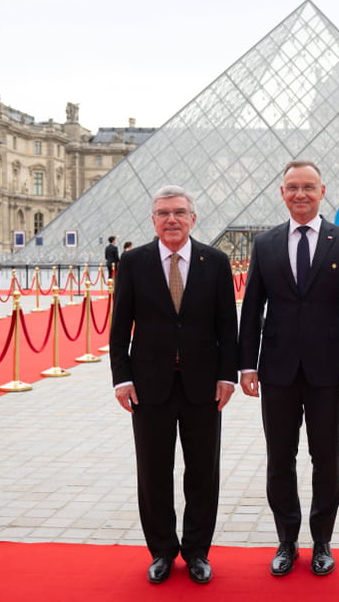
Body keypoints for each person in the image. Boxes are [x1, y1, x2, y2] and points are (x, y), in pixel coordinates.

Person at [239, 160, 339, 577]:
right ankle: (286, 541)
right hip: (276, 370)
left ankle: (322, 542)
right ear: (282, 192)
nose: (300, 194)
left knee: (325, 458)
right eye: (292, 187)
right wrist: (246, 365)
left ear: (322, 190)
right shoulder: (265, 243)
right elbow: (252, 309)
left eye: (308, 187)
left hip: (329, 372)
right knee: (280, 459)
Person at [110, 185, 238, 585]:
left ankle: (197, 551)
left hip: (203, 385)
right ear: (153, 220)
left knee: (203, 471)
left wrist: (226, 376)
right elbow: (119, 328)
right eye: (163, 213)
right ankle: (162, 550)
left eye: (179, 212)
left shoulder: (215, 261)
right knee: (153, 472)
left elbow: (226, 325)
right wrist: (122, 379)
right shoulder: (134, 262)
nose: (171, 219)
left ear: (193, 218)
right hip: (149, 386)